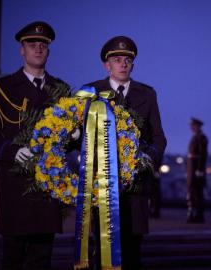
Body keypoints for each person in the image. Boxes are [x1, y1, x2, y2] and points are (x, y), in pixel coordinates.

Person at [0, 21, 66, 270]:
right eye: (31, 44)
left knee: (41, 260)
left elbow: (66, 142)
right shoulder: (1, 88)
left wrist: (75, 135)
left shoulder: (61, 90)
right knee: (12, 260)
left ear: (48, 50)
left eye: (43, 44)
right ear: (21, 50)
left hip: (47, 189)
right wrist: (13, 152)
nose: (38, 48)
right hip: (16, 189)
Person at [84, 35, 167, 269]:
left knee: (132, 250)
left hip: (135, 188)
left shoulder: (147, 94)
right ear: (106, 65)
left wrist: (147, 158)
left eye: (127, 60)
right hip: (102, 187)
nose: (123, 64)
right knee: (101, 252)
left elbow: (159, 137)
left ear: (133, 64)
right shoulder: (91, 92)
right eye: (117, 59)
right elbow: (79, 134)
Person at [186, 117, 208, 223]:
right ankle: (194, 214)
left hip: (196, 169)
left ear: (198, 126)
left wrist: (199, 169)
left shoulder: (201, 138)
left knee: (198, 193)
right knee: (193, 193)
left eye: (193, 125)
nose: (191, 127)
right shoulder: (195, 138)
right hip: (192, 169)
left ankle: (199, 215)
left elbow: (202, 155)